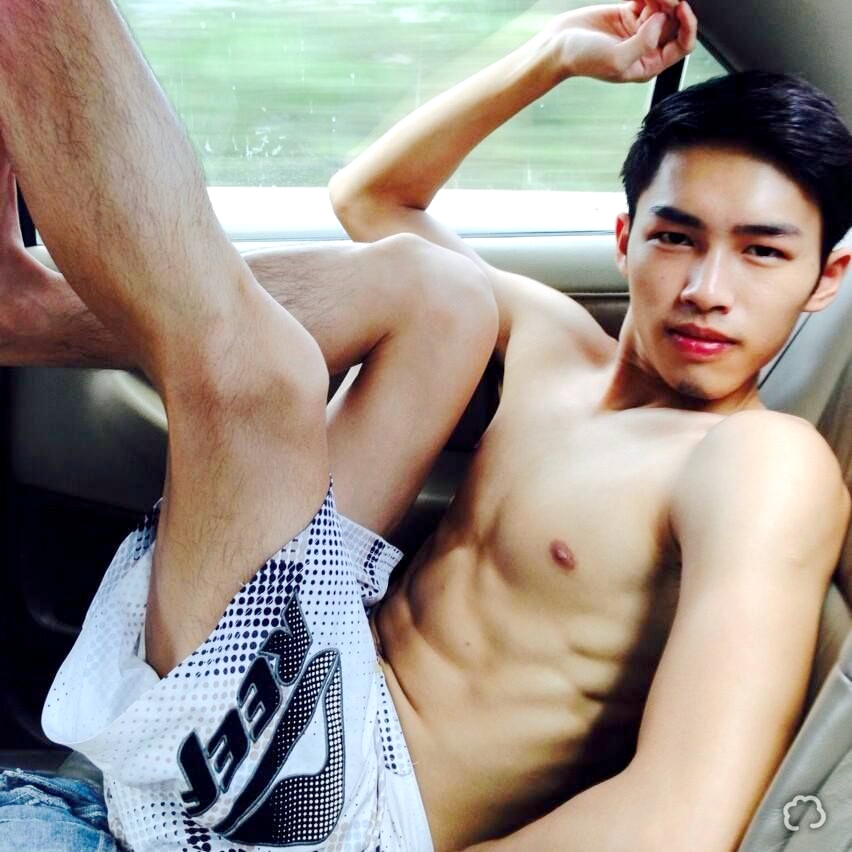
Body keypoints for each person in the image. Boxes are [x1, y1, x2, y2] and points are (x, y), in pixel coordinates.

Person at [0, 1, 849, 851]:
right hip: (307, 681)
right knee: (438, 292)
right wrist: (549, 58)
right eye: (677, 237)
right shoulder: (556, 345)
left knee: (267, 380)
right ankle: (30, 316)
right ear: (625, 237)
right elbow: (371, 197)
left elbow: (682, 816)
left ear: (827, 276)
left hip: (350, 819)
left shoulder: (762, 463)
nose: (707, 289)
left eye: (762, 252)